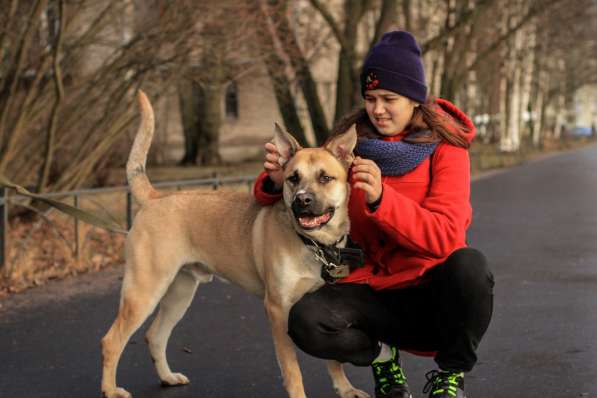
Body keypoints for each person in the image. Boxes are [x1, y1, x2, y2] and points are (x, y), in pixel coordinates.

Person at [253, 31, 494, 398]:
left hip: (430, 291)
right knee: (305, 321)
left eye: (389, 99)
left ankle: (451, 374)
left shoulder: (447, 150)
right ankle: (382, 360)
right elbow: (308, 176)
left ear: (414, 99)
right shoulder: (348, 144)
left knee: (471, 267)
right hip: (373, 290)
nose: (377, 109)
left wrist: (383, 199)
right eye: (370, 98)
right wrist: (272, 180)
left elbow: (446, 236)